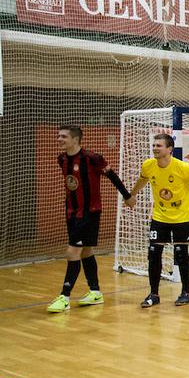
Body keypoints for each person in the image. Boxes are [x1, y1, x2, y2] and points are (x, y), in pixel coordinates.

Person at [47, 125, 131, 313]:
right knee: (85, 251)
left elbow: (113, 176)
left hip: (89, 213)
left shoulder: (93, 159)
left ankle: (65, 297)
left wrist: (127, 196)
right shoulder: (61, 159)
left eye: (64, 136)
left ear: (75, 139)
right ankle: (95, 293)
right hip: (71, 212)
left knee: (72, 252)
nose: (59, 139)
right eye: (59, 136)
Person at [125, 133, 189, 307]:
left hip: (182, 218)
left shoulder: (182, 168)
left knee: (181, 254)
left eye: (159, 145)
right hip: (159, 217)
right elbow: (142, 180)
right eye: (154, 145)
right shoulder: (148, 166)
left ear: (169, 149)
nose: (155, 148)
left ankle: (186, 292)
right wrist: (132, 194)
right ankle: (154, 294)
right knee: (154, 254)